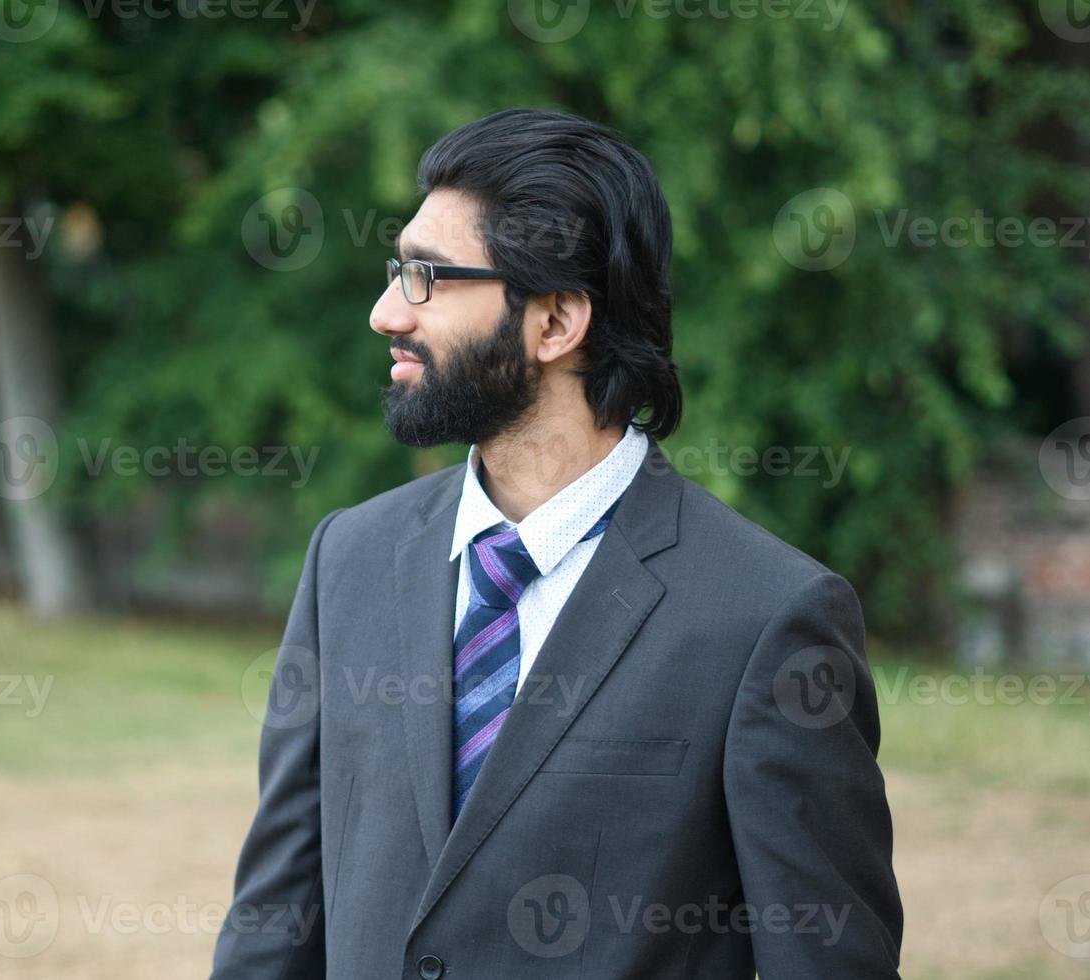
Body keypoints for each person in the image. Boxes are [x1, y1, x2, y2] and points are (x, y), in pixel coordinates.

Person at [210, 108, 903, 979]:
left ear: (555, 323)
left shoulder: (767, 617)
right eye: (397, 270)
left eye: (426, 277)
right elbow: (276, 917)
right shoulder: (347, 558)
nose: (387, 311)